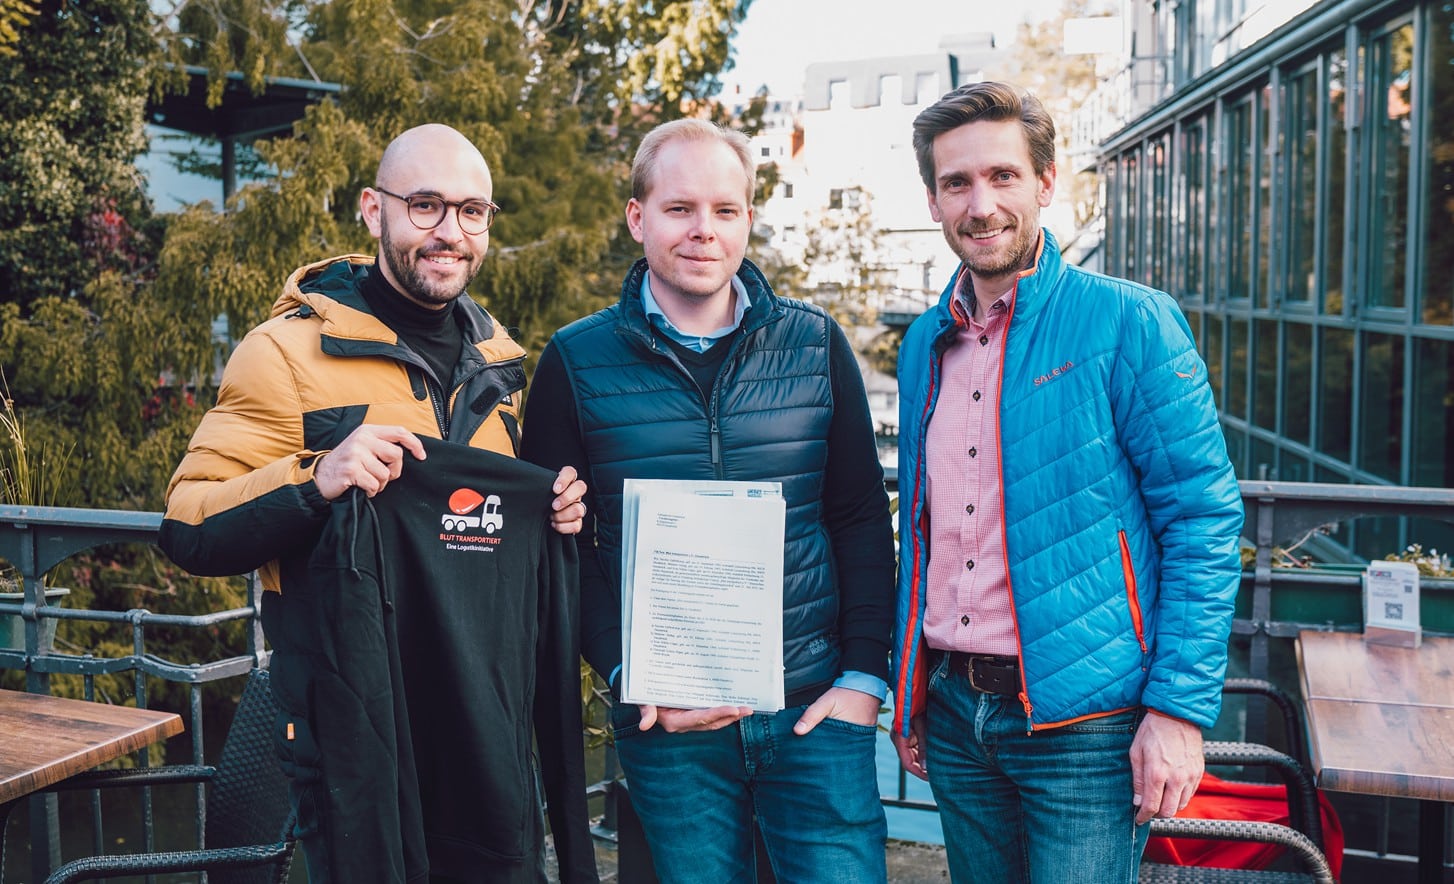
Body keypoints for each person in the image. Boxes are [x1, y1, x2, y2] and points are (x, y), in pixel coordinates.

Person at [159, 123, 598, 884]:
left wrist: (556, 508)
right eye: (425, 206)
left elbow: (486, 526)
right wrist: (316, 477)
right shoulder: (283, 353)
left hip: (482, 729)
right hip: (352, 736)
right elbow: (187, 526)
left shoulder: (499, 360)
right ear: (373, 209)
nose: (449, 232)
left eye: (471, 211)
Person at [520, 118, 895, 883]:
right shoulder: (575, 360)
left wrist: (864, 678)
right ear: (638, 218)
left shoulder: (815, 344)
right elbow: (562, 546)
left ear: (748, 219)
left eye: (725, 210)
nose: (704, 230)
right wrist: (625, 675)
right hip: (669, 726)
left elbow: (859, 517)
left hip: (814, 713)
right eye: (679, 208)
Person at [891, 81, 1245, 883]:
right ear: (934, 201)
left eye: (1003, 176)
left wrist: (1178, 711)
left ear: (1046, 182)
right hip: (953, 712)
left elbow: (1202, 519)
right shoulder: (923, 346)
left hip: (1090, 726)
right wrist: (909, 688)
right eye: (957, 183)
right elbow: (920, 529)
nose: (981, 205)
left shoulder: (1130, 321)